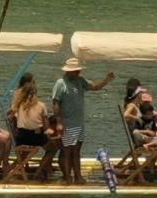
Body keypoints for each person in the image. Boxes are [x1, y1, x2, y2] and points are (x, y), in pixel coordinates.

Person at [48, 56, 116, 185]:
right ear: (69, 71)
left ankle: (78, 176)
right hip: (68, 123)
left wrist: (106, 80)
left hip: (79, 123)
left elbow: (94, 87)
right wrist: (59, 122)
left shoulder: (80, 81)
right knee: (67, 151)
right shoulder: (60, 83)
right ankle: (67, 178)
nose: (78, 72)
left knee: (76, 151)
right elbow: (56, 103)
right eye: (76, 70)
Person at [121, 83, 157, 182]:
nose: (142, 95)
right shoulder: (134, 106)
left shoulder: (139, 106)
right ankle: (151, 161)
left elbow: (153, 118)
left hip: (144, 134)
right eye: (141, 93)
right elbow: (126, 115)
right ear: (137, 95)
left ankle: (152, 161)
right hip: (140, 136)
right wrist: (137, 118)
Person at [8, 72, 53, 181]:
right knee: (52, 147)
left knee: (26, 150)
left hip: (20, 137)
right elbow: (46, 128)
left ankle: (15, 167)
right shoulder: (41, 105)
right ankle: (40, 171)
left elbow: (12, 118)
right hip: (35, 138)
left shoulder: (19, 105)